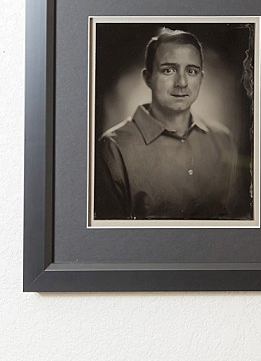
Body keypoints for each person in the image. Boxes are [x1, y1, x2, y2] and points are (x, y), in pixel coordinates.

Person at [94, 28, 240, 220]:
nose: (181, 82)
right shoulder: (113, 149)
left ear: (201, 79)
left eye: (191, 71)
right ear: (148, 78)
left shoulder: (223, 140)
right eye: (168, 70)